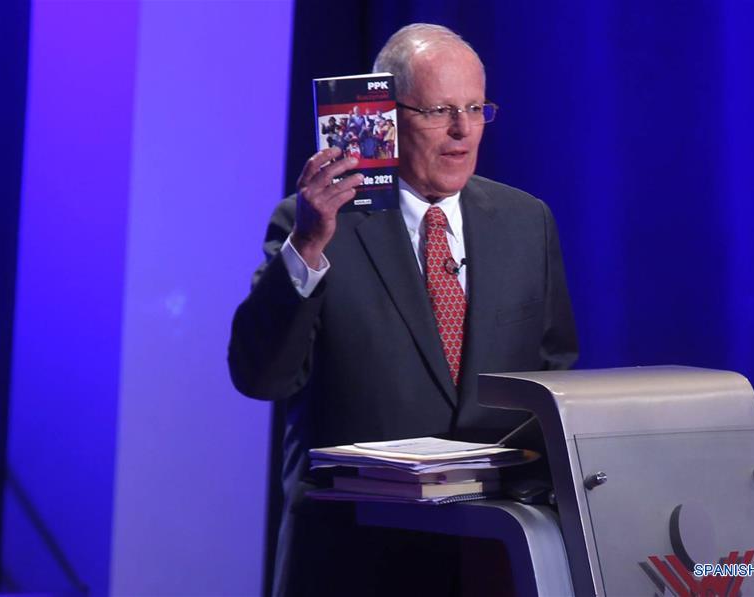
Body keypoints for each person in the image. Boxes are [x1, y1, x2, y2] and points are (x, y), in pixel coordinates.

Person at [228, 23, 577, 597]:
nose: (463, 131)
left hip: (495, 559)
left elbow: (554, 376)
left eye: (476, 108)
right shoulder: (314, 225)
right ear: (385, 116)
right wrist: (309, 248)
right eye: (439, 110)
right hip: (355, 562)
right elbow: (260, 375)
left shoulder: (526, 221)